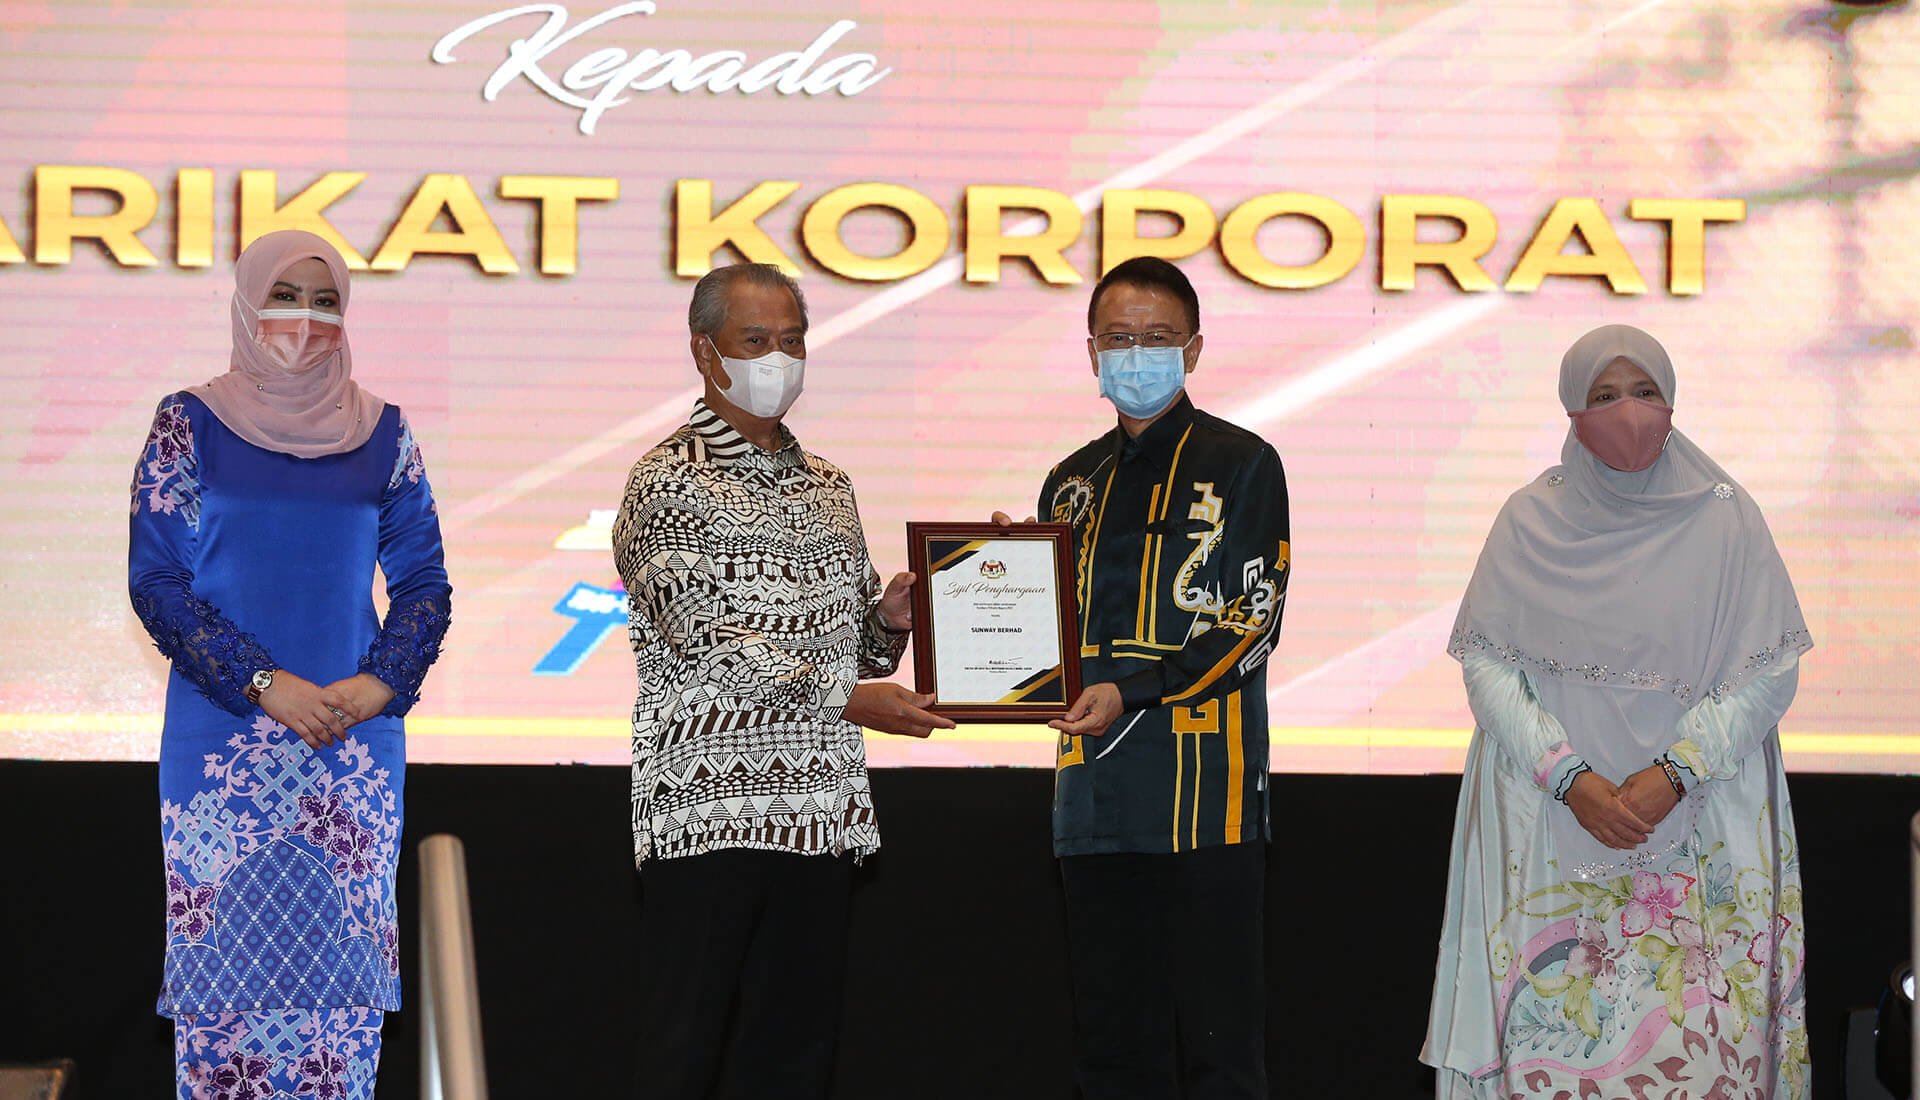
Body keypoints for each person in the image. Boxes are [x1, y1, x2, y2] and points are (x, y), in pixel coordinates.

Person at [1422, 324, 1813, 1098]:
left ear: (1673, 401)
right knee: (1557, 1038)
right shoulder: (1528, 519)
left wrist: (1674, 772)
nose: (1628, 411)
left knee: (1699, 1047)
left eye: (1645, 392)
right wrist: (1569, 777)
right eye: (1604, 396)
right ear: (1571, 410)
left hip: (1699, 822)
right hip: (1551, 826)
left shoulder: (1726, 517)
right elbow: (1488, 664)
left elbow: (1768, 673)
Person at [613, 262, 954, 1099]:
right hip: (709, 809)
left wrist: (894, 620)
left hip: (816, 812)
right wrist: (847, 694)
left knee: (795, 1058)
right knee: (682, 1053)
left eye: (792, 341)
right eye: (755, 341)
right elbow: (707, 642)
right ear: (705, 351)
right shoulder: (666, 482)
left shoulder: (830, 486)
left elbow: (860, 656)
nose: (778, 358)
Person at [128, 229, 452, 1100]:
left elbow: (423, 579)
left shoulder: (384, 432)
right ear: (244, 301)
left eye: (325, 300)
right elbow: (157, 581)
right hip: (224, 738)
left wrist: (378, 683)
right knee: (225, 989)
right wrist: (265, 683)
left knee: (336, 996)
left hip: (350, 742)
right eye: (285, 295)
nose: (303, 318)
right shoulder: (187, 421)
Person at [998, 256, 1289, 1098]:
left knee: (1219, 1050)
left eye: (1158, 338)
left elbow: (1252, 623)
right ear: (1091, 351)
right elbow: (1040, 639)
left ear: (1193, 350)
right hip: (1091, 799)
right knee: (1111, 1049)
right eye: (1118, 339)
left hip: (1207, 800)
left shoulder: (1243, 463)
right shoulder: (1070, 482)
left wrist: (1135, 686)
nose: (1137, 354)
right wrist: (989, 579)